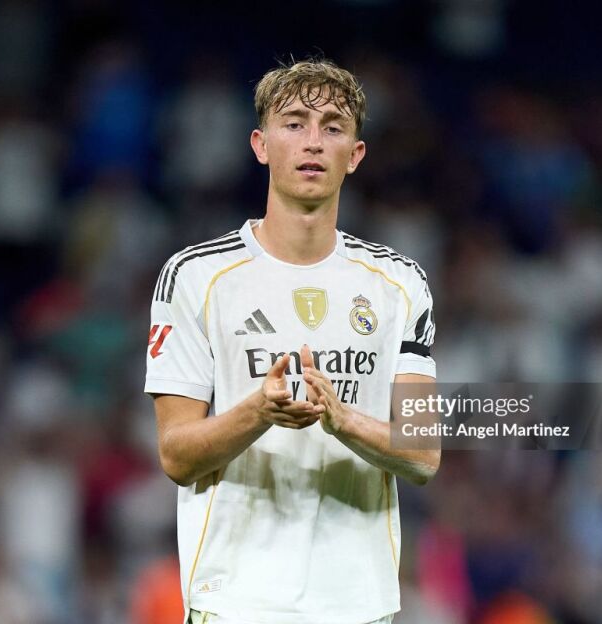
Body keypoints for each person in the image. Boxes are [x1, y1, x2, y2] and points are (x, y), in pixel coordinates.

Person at [145, 57, 440, 624]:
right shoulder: (196, 277)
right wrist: (260, 410)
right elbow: (176, 454)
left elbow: (424, 454)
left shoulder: (400, 284)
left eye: (333, 127)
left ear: (355, 155)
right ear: (260, 145)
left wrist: (341, 417)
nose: (313, 141)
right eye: (295, 123)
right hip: (235, 601)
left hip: (359, 604)